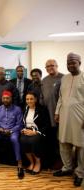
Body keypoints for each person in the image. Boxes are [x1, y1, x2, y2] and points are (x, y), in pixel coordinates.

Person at [53, 53, 84, 187]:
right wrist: (57, 112)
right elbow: (61, 97)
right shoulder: (64, 78)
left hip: (80, 116)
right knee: (63, 142)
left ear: (79, 63)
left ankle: (80, 172)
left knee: (81, 144)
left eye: (73, 62)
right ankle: (67, 167)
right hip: (64, 115)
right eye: (68, 63)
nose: (70, 65)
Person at [0, 91, 24, 179]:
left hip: (13, 131)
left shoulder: (17, 109)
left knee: (14, 139)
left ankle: (19, 165)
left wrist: (11, 131)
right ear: (2, 99)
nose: (5, 100)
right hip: (1, 131)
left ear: (11, 99)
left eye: (7, 98)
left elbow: (19, 124)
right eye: (4, 98)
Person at [20, 91, 50, 175]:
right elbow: (22, 122)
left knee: (34, 141)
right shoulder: (25, 108)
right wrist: (23, 129)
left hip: (38, 131)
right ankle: (31, 162)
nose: (29, 101)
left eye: (31, 99)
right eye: (27, 99)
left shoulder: (42, 109)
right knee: (22, 140)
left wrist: (35, 132)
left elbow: (46, 125)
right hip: (27, 130)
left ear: (35, 99)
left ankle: (38, 162)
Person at [41, 59, 63, 169]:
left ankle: (61, 162)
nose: (50, 67)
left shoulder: (64, 78)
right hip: (47, 116)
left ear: (57, 65)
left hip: (60, 116)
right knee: (51, 140)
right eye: (47, 66)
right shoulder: (44, 80)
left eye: (52, 65)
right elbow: (42, 97)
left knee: (61, 140)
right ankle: (52, 161)